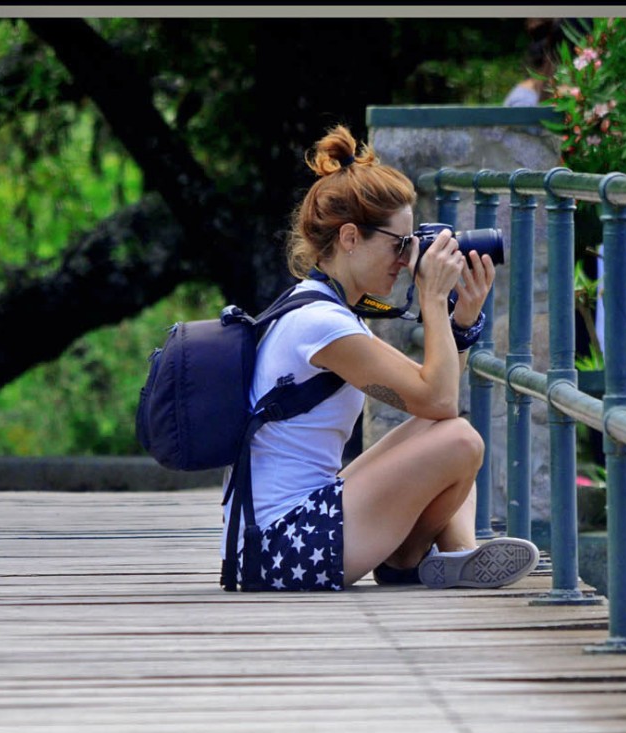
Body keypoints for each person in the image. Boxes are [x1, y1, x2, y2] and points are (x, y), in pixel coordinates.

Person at [221, 125, 539, 592]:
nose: (408, 258)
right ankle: (425, 557)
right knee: (459, 439)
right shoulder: (321, 324)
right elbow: (440, 399)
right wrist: (432, 299)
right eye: (400, 243)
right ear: (350, 238)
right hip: (279, 546)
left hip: (288, 532)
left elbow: (428, 390)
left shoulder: (324, 307)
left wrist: (461, 322)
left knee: (444, 435)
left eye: (412, 243)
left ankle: (450, 557)